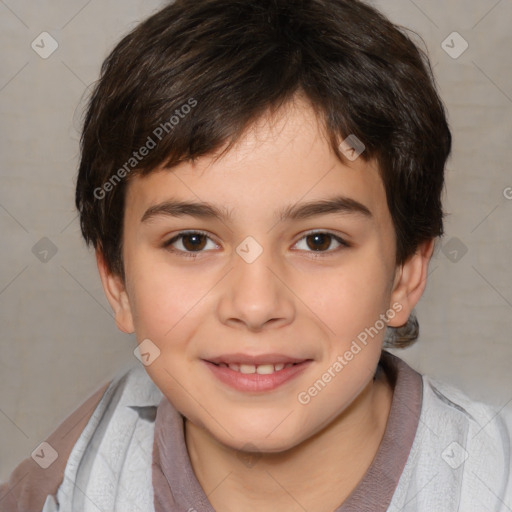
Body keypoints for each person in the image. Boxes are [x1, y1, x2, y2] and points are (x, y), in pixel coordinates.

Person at [1, 0, 511, 510]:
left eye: (319, 241)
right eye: (193, 241)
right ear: (118, 283)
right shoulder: (62, 485)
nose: (254, 305)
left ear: (404, 275)